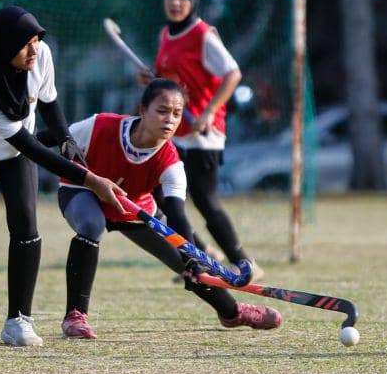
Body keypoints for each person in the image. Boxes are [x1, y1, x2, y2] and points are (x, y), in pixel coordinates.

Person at [0, 6, 126, 347]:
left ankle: (18, 320)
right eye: (25, 45)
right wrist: (90, 179)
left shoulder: (40, 56)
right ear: (3, 46)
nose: (34, 50)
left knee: (25, 226)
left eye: (36, 41)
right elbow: (28, 144)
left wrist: (65, 137)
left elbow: (48, 102)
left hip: (12, 153)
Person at [50, 78, 281, 339]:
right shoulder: (99, 125)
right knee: (92, 225)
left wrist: (192, 259)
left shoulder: (171, 162)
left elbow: (176, 215)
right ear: (141, 110)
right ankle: (75, 316)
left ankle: (232, 312)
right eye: (162, 111)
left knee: (188, 260)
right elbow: (57, 137)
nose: (169, 120)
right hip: (82, 189)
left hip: (133, 207)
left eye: (176, 114)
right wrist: (16, 138)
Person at [138, 0, 262, 280]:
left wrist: (208, 112)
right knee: (163, 196)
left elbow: (233, 73)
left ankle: (245, 263)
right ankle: (198, 256)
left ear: (193, 1)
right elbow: (172, 83)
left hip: (203, 133)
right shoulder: (166, 34)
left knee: (204, 199)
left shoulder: (203, 34)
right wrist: (152, 80)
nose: (175, 2)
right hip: (176, 130)